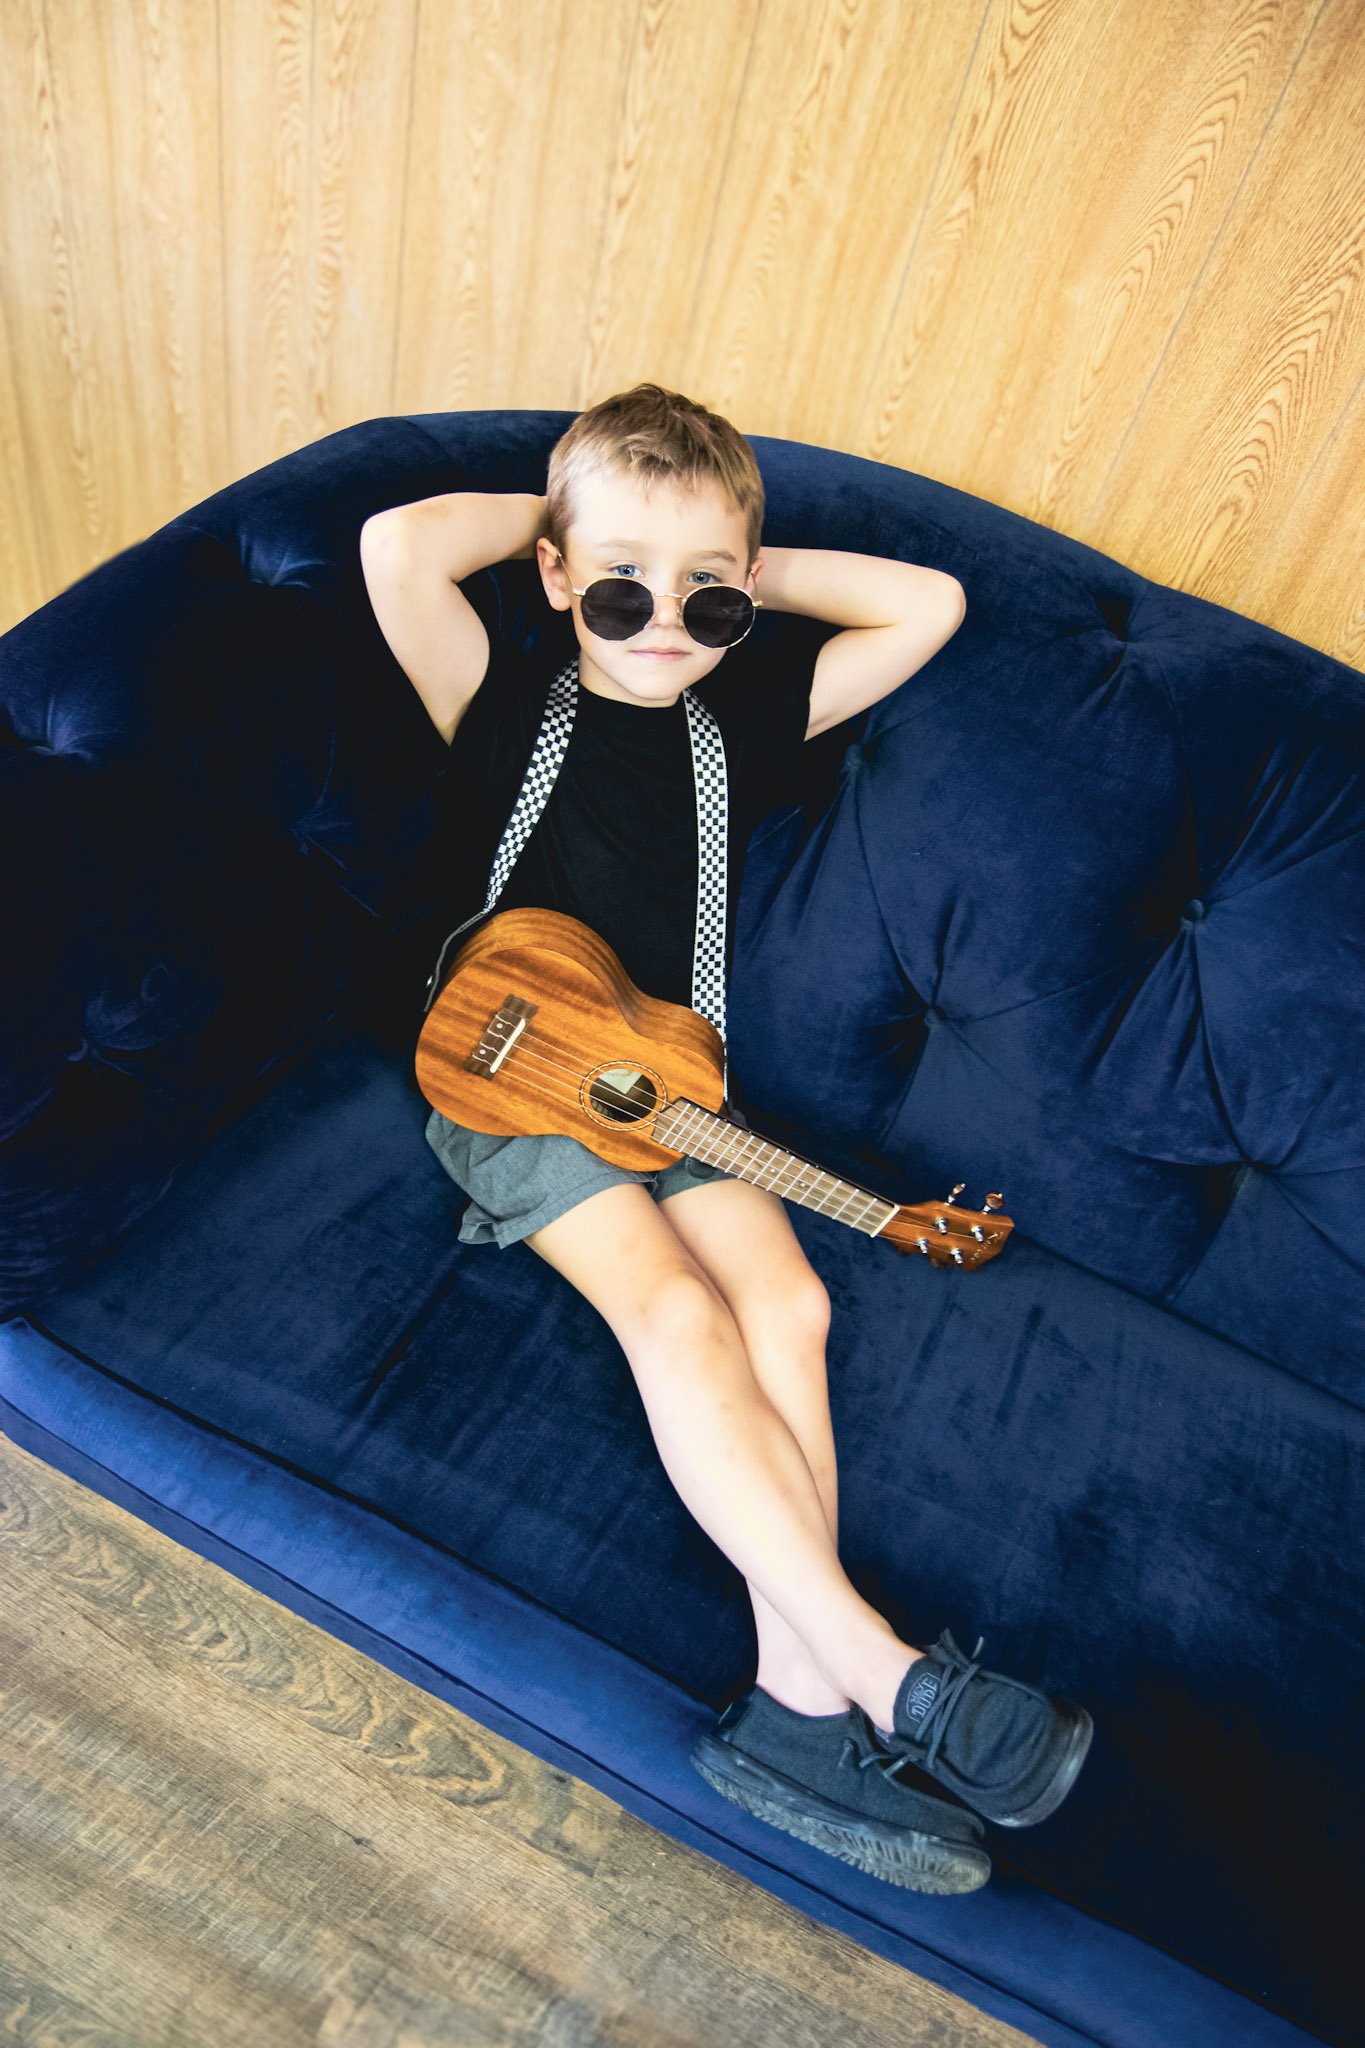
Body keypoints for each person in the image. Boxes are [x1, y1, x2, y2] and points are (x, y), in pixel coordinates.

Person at [359, 383, 1091, 1897]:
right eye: (618, 585)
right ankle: (883, 1681)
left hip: (671, 1078)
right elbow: (398, 543)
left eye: (705, 597)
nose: (661, 622)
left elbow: (923, 603)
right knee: (677, 1312)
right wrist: (576, 529)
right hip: (504, 1075)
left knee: (794, 1304)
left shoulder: (741, 718)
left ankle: (792, 1711)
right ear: (558, 576)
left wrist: (728, 565)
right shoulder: (499, 693)